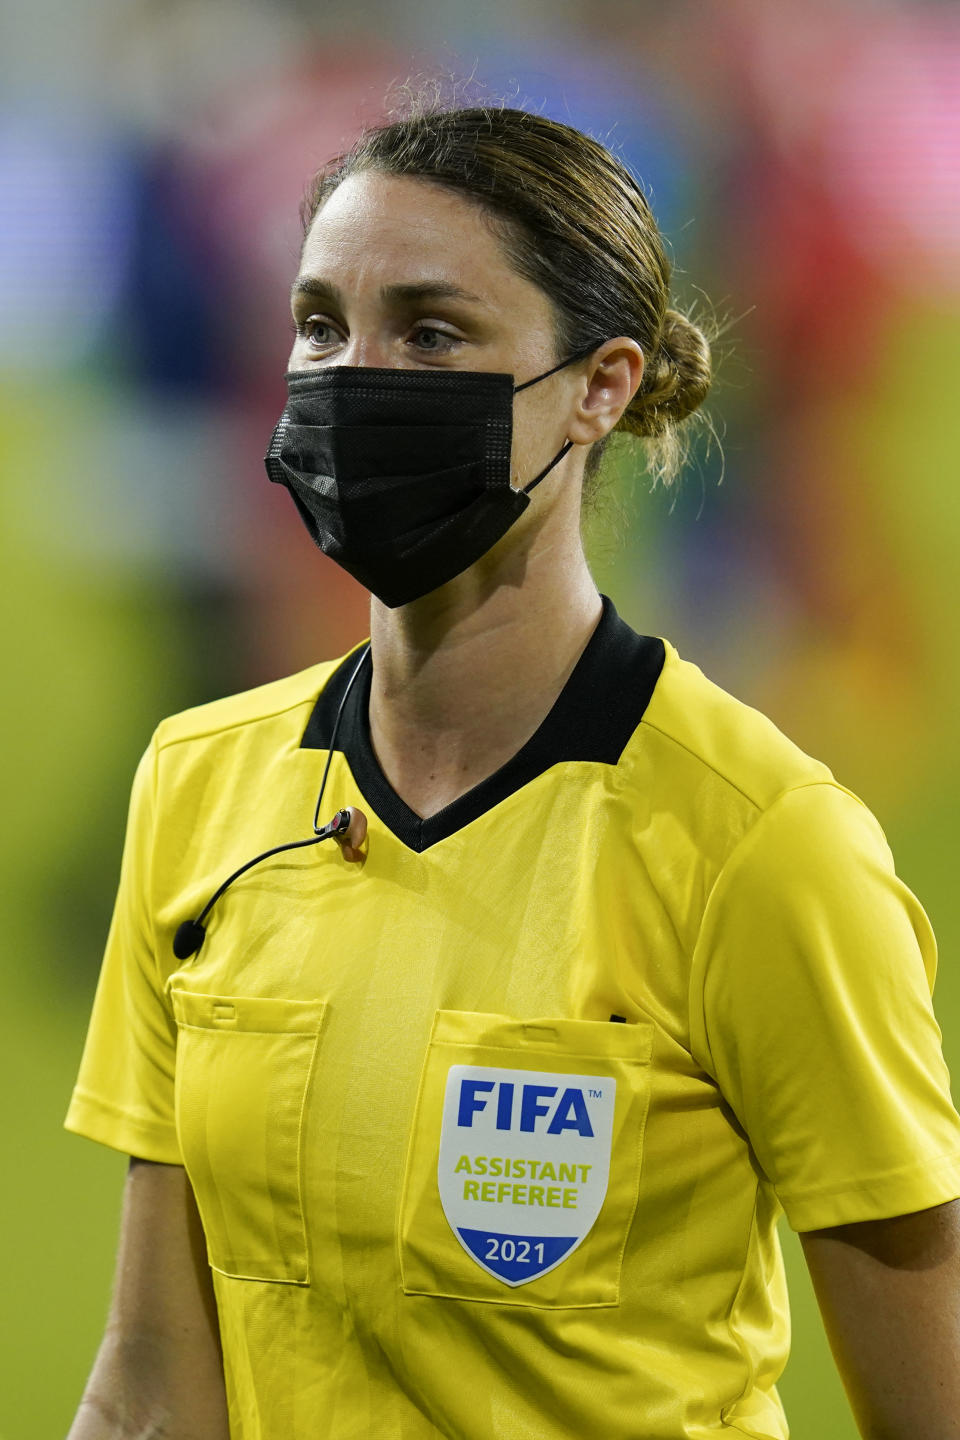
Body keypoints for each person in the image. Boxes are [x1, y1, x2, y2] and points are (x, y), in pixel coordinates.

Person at [65, 101, 960, 1440]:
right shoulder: (199, 788)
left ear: (600, 385)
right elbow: (146, 1380)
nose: (353, 377)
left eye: (430, 332)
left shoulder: (763, 845)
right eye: (322, 325)